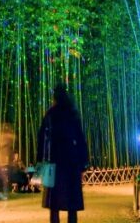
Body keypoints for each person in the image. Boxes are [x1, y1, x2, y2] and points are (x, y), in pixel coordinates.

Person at [38, 84, 89, 223]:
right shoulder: (72, 113)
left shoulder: (50, 114)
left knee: (54, 204)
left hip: (54, 161)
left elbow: (42, 138)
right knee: (72, 203)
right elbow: (80, 139)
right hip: (71, 161)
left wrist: (40, 160)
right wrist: (84, 161)